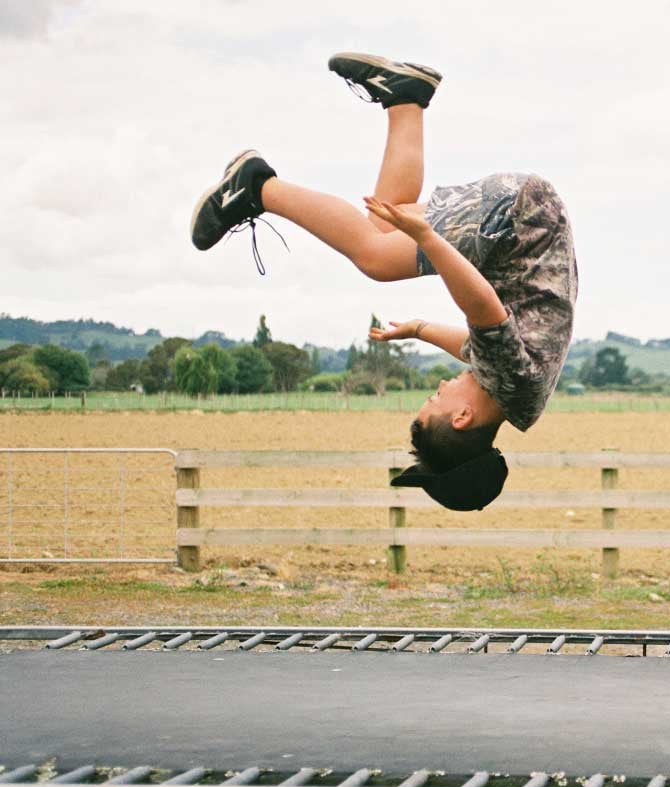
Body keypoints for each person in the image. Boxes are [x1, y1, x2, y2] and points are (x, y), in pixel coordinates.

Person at [189, 53, 578, 511]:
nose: (439, 387)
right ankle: (255, 187)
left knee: (381, 224)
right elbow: (482, 308)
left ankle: (405, 99)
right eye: (436, 398)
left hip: (526, 221)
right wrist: (429, 239)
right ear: (462, 416)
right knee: (375, 258)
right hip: (518, 221)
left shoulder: (515, 400)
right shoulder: (511, 381)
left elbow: (476, 346)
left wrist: (417, 329)